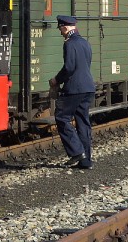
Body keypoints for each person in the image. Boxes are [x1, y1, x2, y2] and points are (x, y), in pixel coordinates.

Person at [49, 14, 95, 169]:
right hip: (88, 87)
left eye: (60, 29)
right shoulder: (85, 43)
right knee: (83, 122)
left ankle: (76, 152)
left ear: (64, 27)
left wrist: (56, 80)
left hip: (75, 89)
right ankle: (86, 161)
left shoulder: (69, 44)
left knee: (62, 117)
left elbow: (69, 67)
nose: (60, 32)